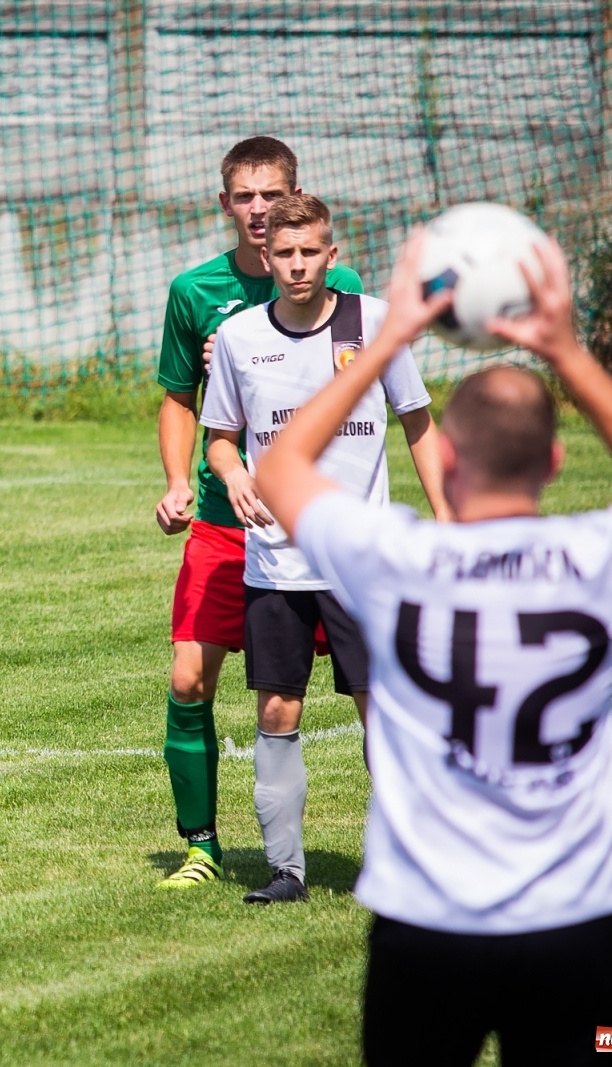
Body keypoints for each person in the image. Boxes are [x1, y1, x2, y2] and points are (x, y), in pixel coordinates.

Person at [254, 234, 612, 1062]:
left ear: (447, 457)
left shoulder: (396, 561)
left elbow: (280, 468)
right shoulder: (597, 560)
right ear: (555, 460)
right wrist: (566, 351)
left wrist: (386, 337)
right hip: (580, 921)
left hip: (426, 921)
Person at [200, 194, 450, 903]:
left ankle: (409, 858)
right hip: (276, 562)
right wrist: (234, 473)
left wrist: (448, 518)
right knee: (277, 713)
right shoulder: (241, 337)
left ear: (331, 255)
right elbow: (219, 438)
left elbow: (418, 422)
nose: (298, 265)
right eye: (284, 253)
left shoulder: (372, 323)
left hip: (360, 563)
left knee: (382, 710)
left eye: (310, 252)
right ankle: (286, 871)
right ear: (266, 256)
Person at [154, 137, 364, 889]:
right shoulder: (194, 291)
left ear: (295, 197)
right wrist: (177, 480)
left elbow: (353, 392)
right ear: (225, 204)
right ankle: (202, 846)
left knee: (367, 692)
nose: (258, 209)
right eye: (244, 196)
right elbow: (179, 398)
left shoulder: (342, 288)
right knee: (188, 680)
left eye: (271, 194)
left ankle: (404, 846)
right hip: (224, 519)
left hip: (315, 527)